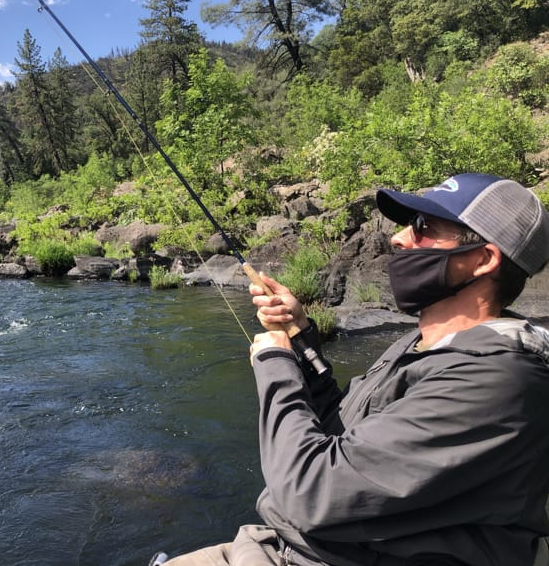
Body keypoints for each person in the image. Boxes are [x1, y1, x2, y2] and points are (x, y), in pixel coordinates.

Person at [158, 173, 549, 566]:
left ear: (483, 259)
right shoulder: (422, 346)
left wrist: (275, 365)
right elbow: (338, 430)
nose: (398, 238)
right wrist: (298, 335)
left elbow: (310, 493)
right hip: (287, 545)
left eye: (422, 227)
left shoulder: (493, 382)